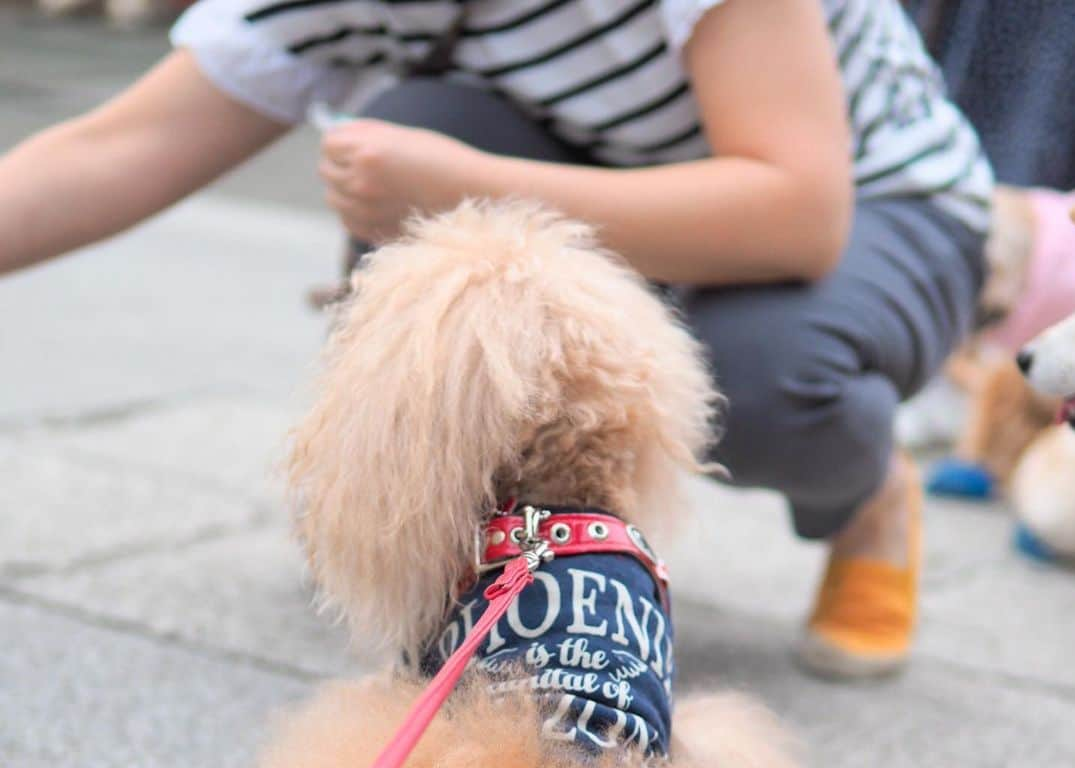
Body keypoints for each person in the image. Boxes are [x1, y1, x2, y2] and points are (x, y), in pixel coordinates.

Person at [0, 0, 992, 677]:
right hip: (607, 173)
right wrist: (440, 184)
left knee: (761, 383)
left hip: (865, 207)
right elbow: (118, 145)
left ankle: (865, 497)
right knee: (410, 129)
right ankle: (474, 534)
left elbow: (798, 211)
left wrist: (469, 184)